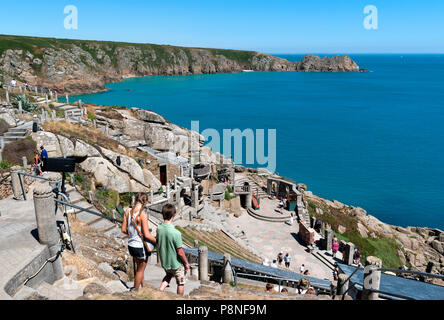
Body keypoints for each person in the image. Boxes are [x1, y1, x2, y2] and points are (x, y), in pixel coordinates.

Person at [121, 193, 156, 291]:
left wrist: (132, 234)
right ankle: (135, 289)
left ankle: (143, 287)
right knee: (141, 269)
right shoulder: (142, 215)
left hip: (131, 245)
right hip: (140, 246)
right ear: (145, 202)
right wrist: (157, 241)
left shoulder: (127, 211)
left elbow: (123, 230)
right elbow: (147, 235)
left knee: (140, 268)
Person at [157, 204, 190, 295]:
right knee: (181, 282)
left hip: (165, 262)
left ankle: (159, 292)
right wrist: (186, 263)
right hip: (176, 264)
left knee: (168, 276)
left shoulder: (159, 229)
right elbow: (180, 252)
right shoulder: (176, 233)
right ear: (173, 215)